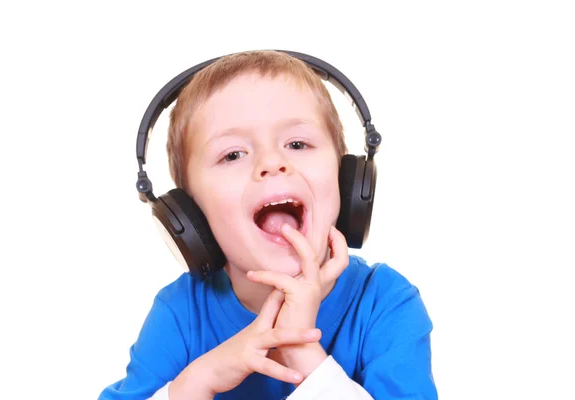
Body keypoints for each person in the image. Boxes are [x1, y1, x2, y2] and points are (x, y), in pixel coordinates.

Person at [99, 50, 437, 399]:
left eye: (297, 143)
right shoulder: (180, 314)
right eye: (232, 154)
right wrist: (196, 383)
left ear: (348, 181)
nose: (272, 162)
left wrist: (301, 351)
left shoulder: (385, 301)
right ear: (189, 213)